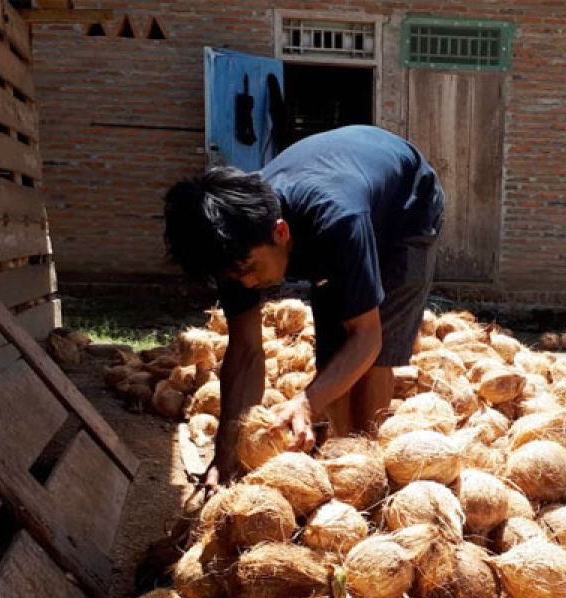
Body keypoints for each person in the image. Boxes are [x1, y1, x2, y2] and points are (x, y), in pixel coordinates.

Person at [164, 125, 444, 491]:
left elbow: (368, 338)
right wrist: (224, 455)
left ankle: (367, 471)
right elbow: (246, 350)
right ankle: (344, 458)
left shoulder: (338, 221)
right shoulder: (235, 244)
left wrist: (307, 403)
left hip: (405, 207)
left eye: (250, 270)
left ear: (280, 233)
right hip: (339, 198)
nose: (246, 284)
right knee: (333, 356)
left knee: (373, 354)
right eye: (235, 276)